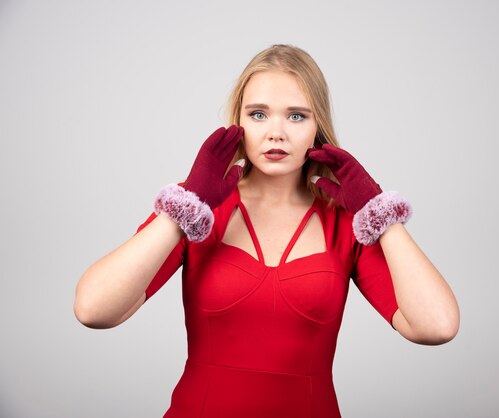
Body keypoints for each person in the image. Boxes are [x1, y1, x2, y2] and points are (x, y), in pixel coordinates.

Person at [74, 44, 460, 418]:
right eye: (258, 114)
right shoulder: (196, 210)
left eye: (296, 116)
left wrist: (379, 212)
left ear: (317, 127)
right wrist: (185, 205)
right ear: (238, 122)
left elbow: (437, 326)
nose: (276, 132)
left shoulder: (345, 220)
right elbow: (93, 310)